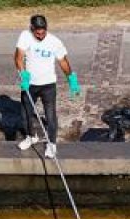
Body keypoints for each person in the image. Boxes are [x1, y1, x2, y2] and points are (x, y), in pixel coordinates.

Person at [14, 15, 81, 159]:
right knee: (26, 114)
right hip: (30, 84)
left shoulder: (54, 42)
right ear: (32, 28)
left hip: (48, 85)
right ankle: (31, 137)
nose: (40, 35)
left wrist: (72, 79)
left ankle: (52, 144)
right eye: (37, 33)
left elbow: (63, 61)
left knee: (50, 116)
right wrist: (24, 74)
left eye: (43, 32)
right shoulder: (25, 36)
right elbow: (18, 58)